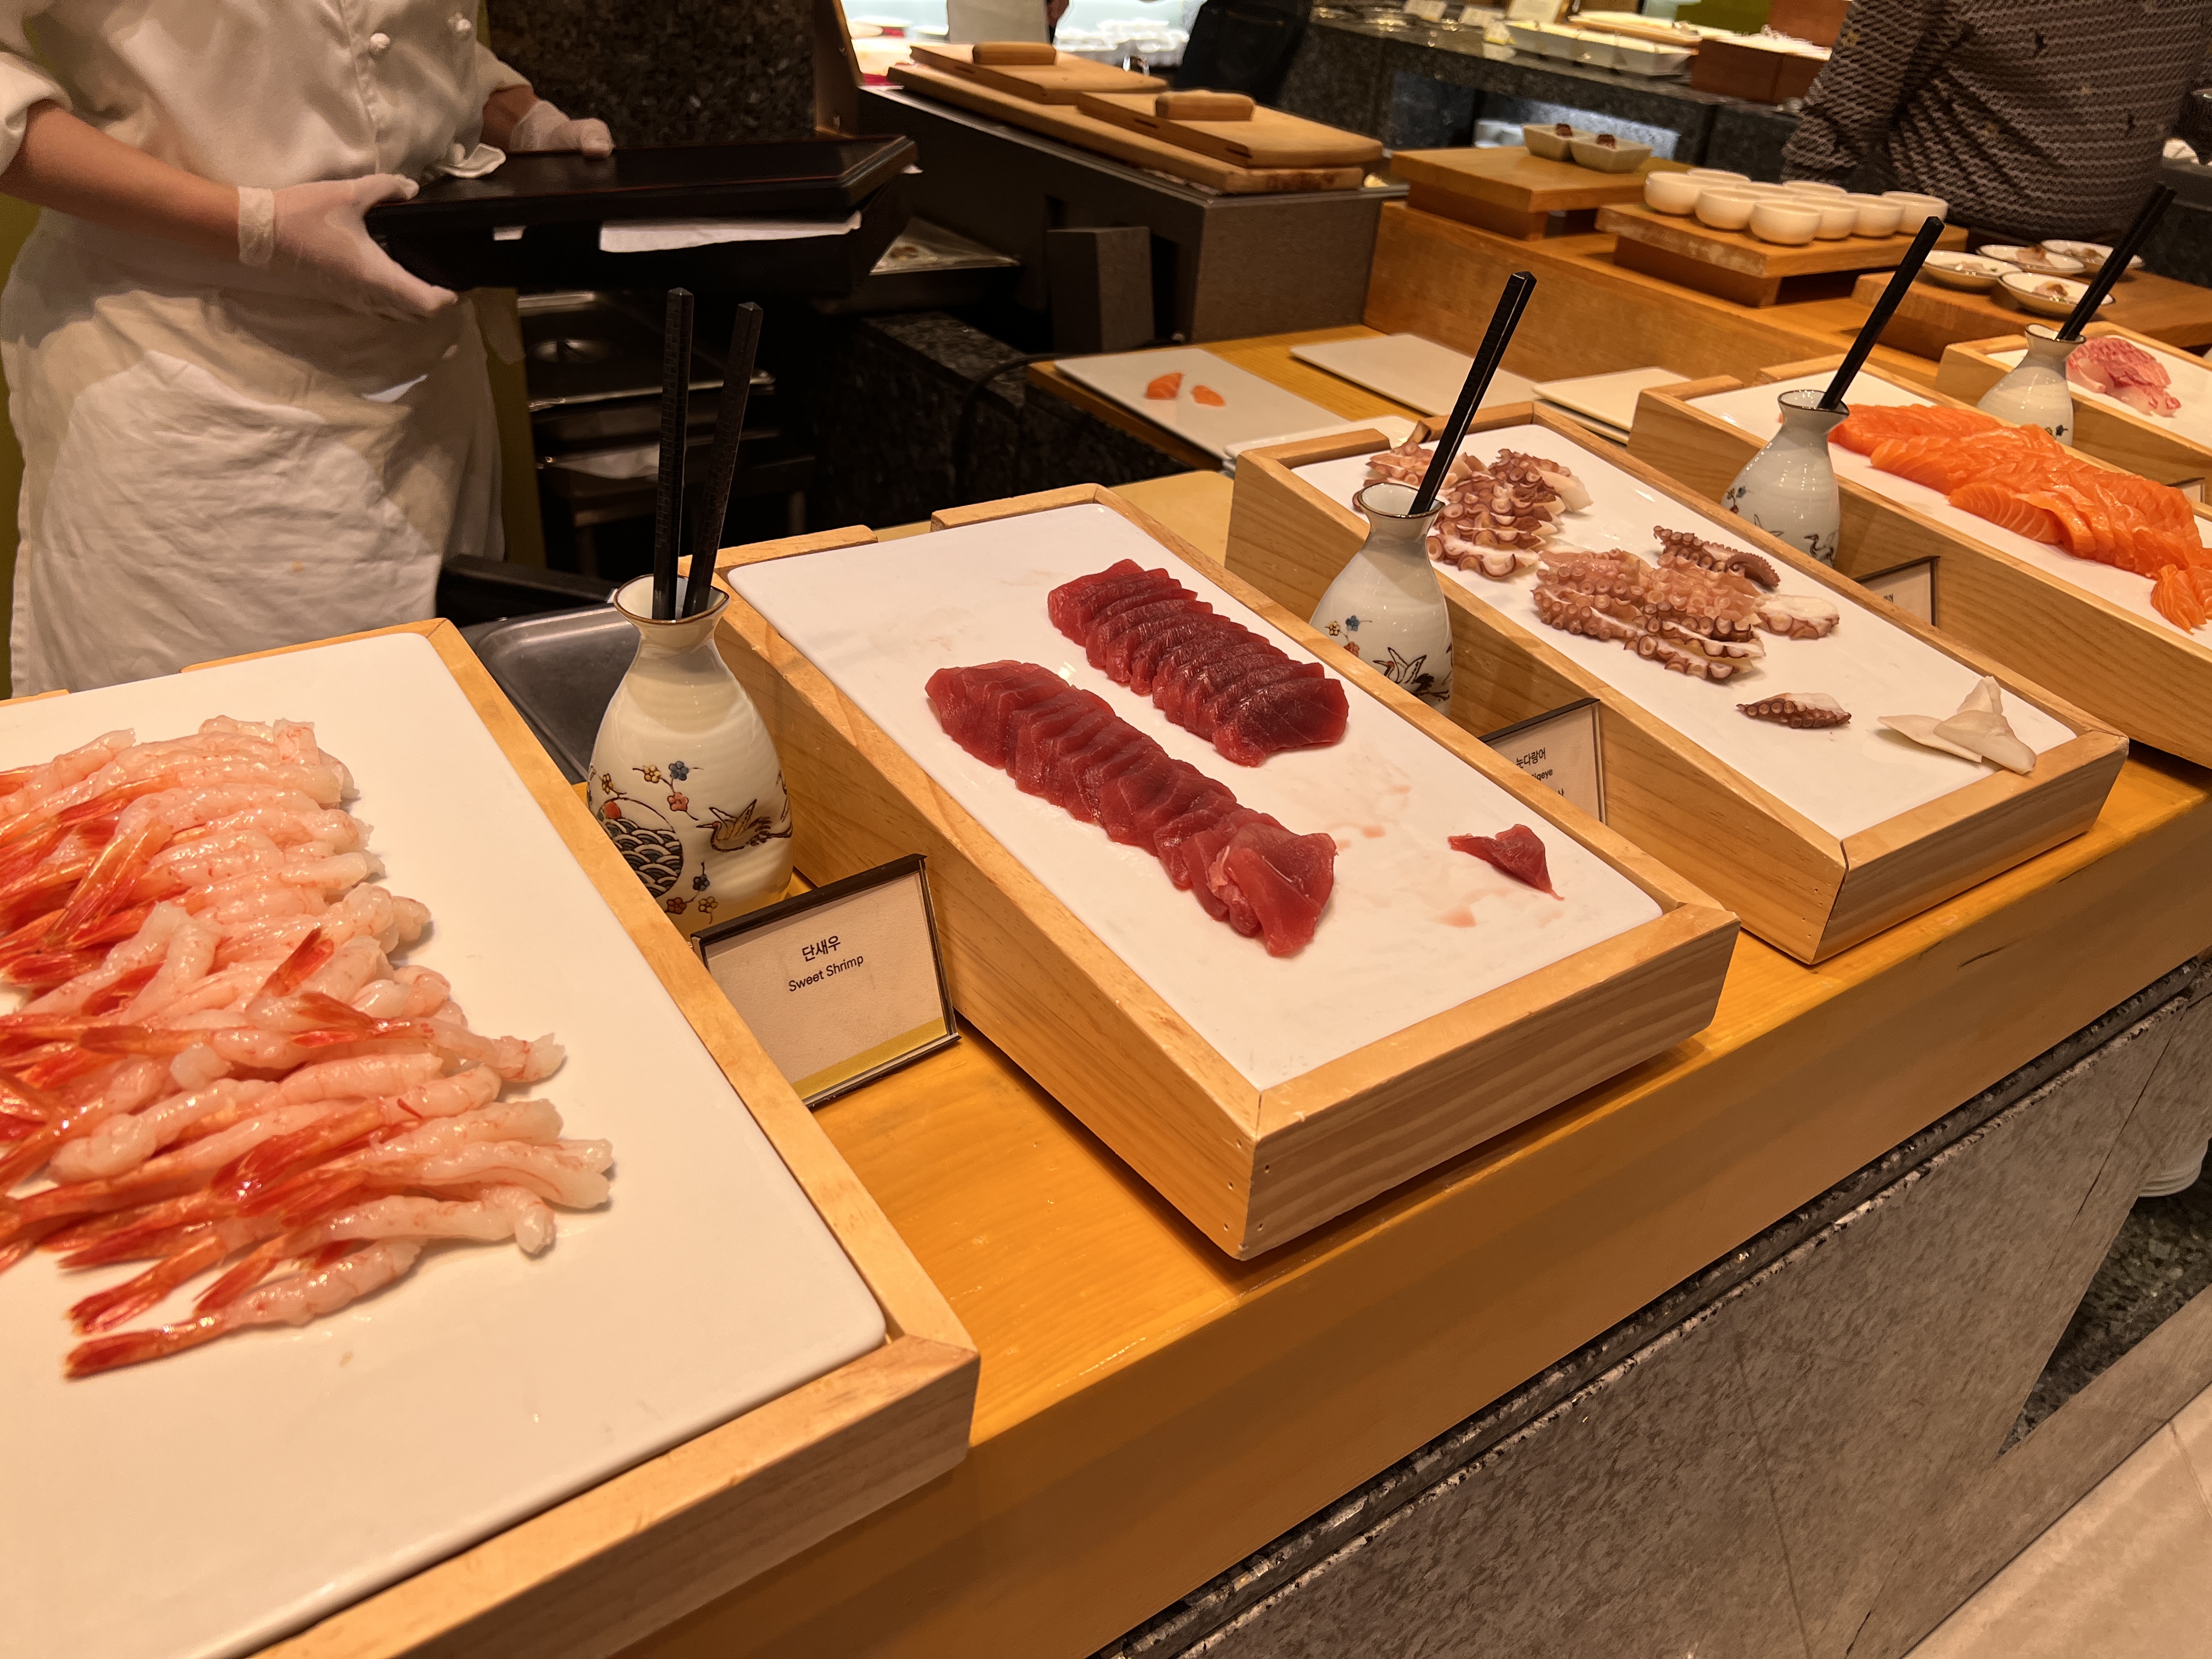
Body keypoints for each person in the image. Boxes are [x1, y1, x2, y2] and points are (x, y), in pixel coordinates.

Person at [0, 5, 614, 696]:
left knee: (427, 706)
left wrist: (519, 117)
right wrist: (255, 226)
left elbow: (372, 56)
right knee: (224, 726)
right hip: (187, 374)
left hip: (425, 371)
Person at [1783, 0, 2212, 244]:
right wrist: (1793, 241)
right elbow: (1845, 108)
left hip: (2101, 267)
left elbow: (2169, 99)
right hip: (1932, 251)